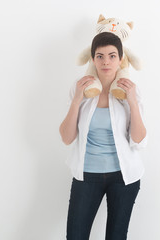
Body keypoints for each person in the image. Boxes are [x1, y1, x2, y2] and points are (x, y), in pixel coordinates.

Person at [59, 32, 147, 240]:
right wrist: (76, 100)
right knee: (76, 235)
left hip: (123, 177)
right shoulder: (81, 87)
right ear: (92, 59)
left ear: (120, 58)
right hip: (87, 175)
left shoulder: (130, 91)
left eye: (112, 56)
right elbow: (66, 137)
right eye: (100, 56)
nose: (106, 62)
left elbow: (139, 140)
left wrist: (133, 102)